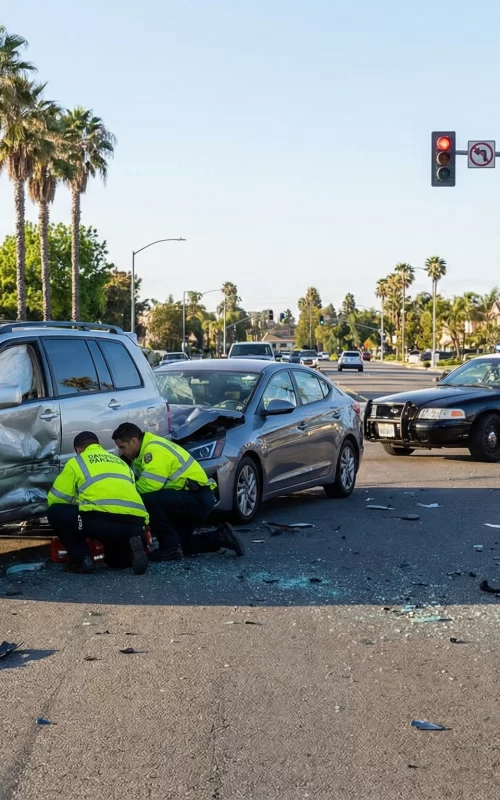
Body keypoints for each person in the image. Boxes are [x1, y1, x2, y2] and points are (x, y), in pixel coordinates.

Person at [112, 422, 244, 561]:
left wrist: (124, 496)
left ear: (133, 441)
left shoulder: (153, 450)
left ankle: (169, 549)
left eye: (122, 447)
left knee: (147, 499)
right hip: (192, 497)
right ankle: (221, 537)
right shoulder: (143, 450)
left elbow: (148, 487)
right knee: (181, 544)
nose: (121, 452)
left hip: (195, 497)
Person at [47, 431, 149, 575]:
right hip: (136, 523)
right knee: (115, 562)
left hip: (99, 522)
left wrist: (78, 502)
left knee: (56, 512)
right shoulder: (121, 462)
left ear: (78, 449)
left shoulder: (78, 462)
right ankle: (130, 551)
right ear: (98, 445)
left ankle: (82, 560)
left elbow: (55, 499)